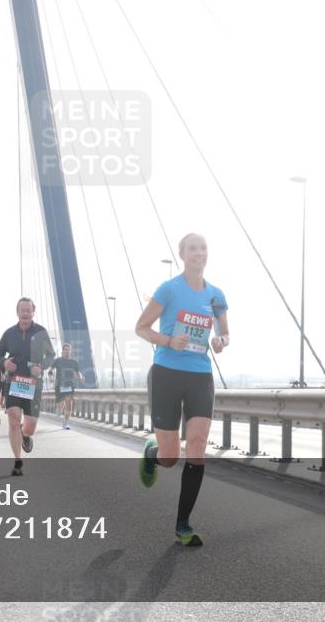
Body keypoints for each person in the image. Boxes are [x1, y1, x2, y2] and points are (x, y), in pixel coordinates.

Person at [135, 233, 229, 547]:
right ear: (182, 254)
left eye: (203, 247)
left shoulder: (216, 295)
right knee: (170, 457)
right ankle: (152, 454)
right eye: (192, 248)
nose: (198, 253)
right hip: (166, 374)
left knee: (198, 446)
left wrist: (220, 341)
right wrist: (168, 340)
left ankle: (183, 525)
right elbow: (141, 327)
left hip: (200, 376)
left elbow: (225, 333)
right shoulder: (169, 289)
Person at [0, 298, 55, 476]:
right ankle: (17, 461)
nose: (26, 313)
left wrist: (42, 366)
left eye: (29, 310)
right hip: (13, 382)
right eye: (23, 310)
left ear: (33, 311)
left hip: (33, 384)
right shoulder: (9, 333)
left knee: (29, 426)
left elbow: (51, 355)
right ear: (17, 312)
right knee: (13, 418)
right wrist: (4, 362)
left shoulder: (41, 332)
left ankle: (25, 435)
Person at [48, 343, 83, 430]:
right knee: (61, 404)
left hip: (70, 386)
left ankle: (66, 423)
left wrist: (81, 377)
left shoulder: (74, 362)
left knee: (69, 404)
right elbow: (50, 370)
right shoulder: (58, 361)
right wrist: (51, 377)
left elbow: (78, 372)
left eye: (68, 350)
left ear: (70, 351)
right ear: (62, 351)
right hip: (59, 385)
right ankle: (59, 408)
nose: (67, 351)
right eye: (65, 350)